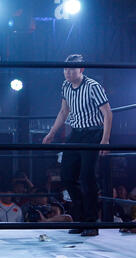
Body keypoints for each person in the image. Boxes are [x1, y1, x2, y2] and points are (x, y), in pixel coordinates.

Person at [43, 54, 113, 237]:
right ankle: (81, 219)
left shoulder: (92, 86)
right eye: (65, 69)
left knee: (87, 178)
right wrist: (52, 132)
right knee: (66, 176)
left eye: (71, 70)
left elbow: (107, 113)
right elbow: (64, 111)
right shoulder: (65, 86)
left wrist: (105, 140)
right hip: (75, 134)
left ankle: (91, 223)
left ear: (81, 70)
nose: (67, 73)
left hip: (92, 134)